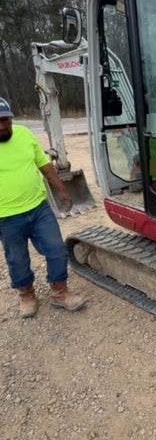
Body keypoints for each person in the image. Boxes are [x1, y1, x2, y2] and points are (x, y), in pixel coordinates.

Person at [0, 97, 86, 318]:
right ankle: (26, 295)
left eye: (5, 120)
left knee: (56, 249)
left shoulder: (25, 135)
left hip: (39, 208)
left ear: (11, 118)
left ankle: (60, 293)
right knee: (17, 258)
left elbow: (45, 166)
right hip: (6, 216)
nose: (2, 126)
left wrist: (62, 191)